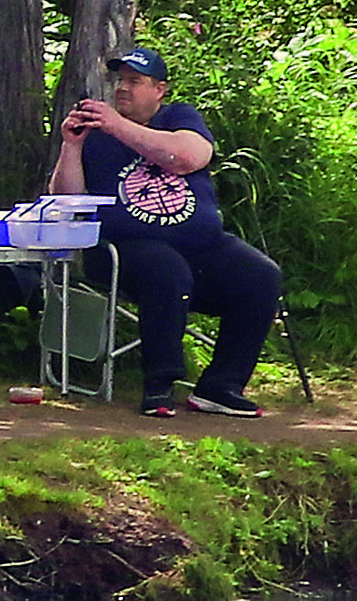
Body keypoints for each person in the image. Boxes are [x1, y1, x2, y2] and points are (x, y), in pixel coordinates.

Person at [49, 47, 281, 418]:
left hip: (202, 246)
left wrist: (117, 126)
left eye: (135, 82)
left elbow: (186, 158)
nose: (123, 89)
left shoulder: (180, 118)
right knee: (167, 269)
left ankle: (221, 386)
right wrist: (72, 146)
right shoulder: (97, 134)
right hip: (126, 250)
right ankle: (160, 384)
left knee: (261, 276)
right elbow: (66, 202)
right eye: (120, 81)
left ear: (159, 89)